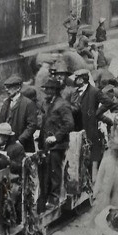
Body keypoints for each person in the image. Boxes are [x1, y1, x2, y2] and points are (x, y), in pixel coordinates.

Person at [39, 78, 74, 209]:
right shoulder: (47, 103)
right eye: (46, 89)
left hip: (58, 145)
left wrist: (56, 137)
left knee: (55, 171)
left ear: (56, 91)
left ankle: (54, 198)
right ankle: (46, 197)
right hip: (46, 144)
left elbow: (69, 124)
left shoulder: (62, 104)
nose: (47, 92)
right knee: (46, 171)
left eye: (50, 89)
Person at [0, 76, 39, 154]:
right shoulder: (6, 103)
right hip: (7, 143)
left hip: (24, 144)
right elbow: (0, 119)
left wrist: (20, 140)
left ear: (18, 88)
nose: (7, 90)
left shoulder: (28, 103)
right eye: (6, 88)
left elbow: (32, 125)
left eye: (9, 87)